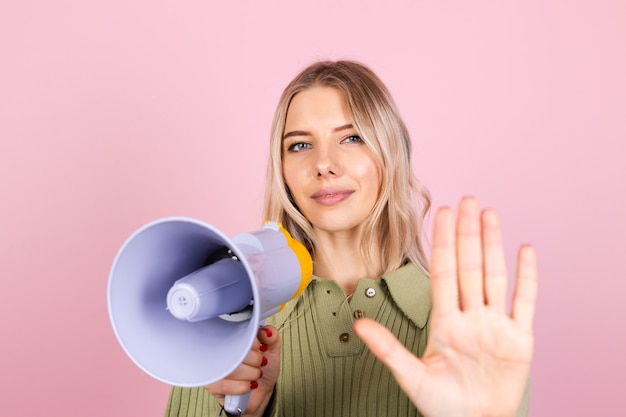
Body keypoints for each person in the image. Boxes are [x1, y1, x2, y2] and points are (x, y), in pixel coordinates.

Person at [165, 60, 538, 417]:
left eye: (352, 138)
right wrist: (247, 415)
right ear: (282, 171)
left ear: (392, 153)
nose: (324, 163)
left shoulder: (468, 327)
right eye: (299, 145)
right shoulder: (227, 320)